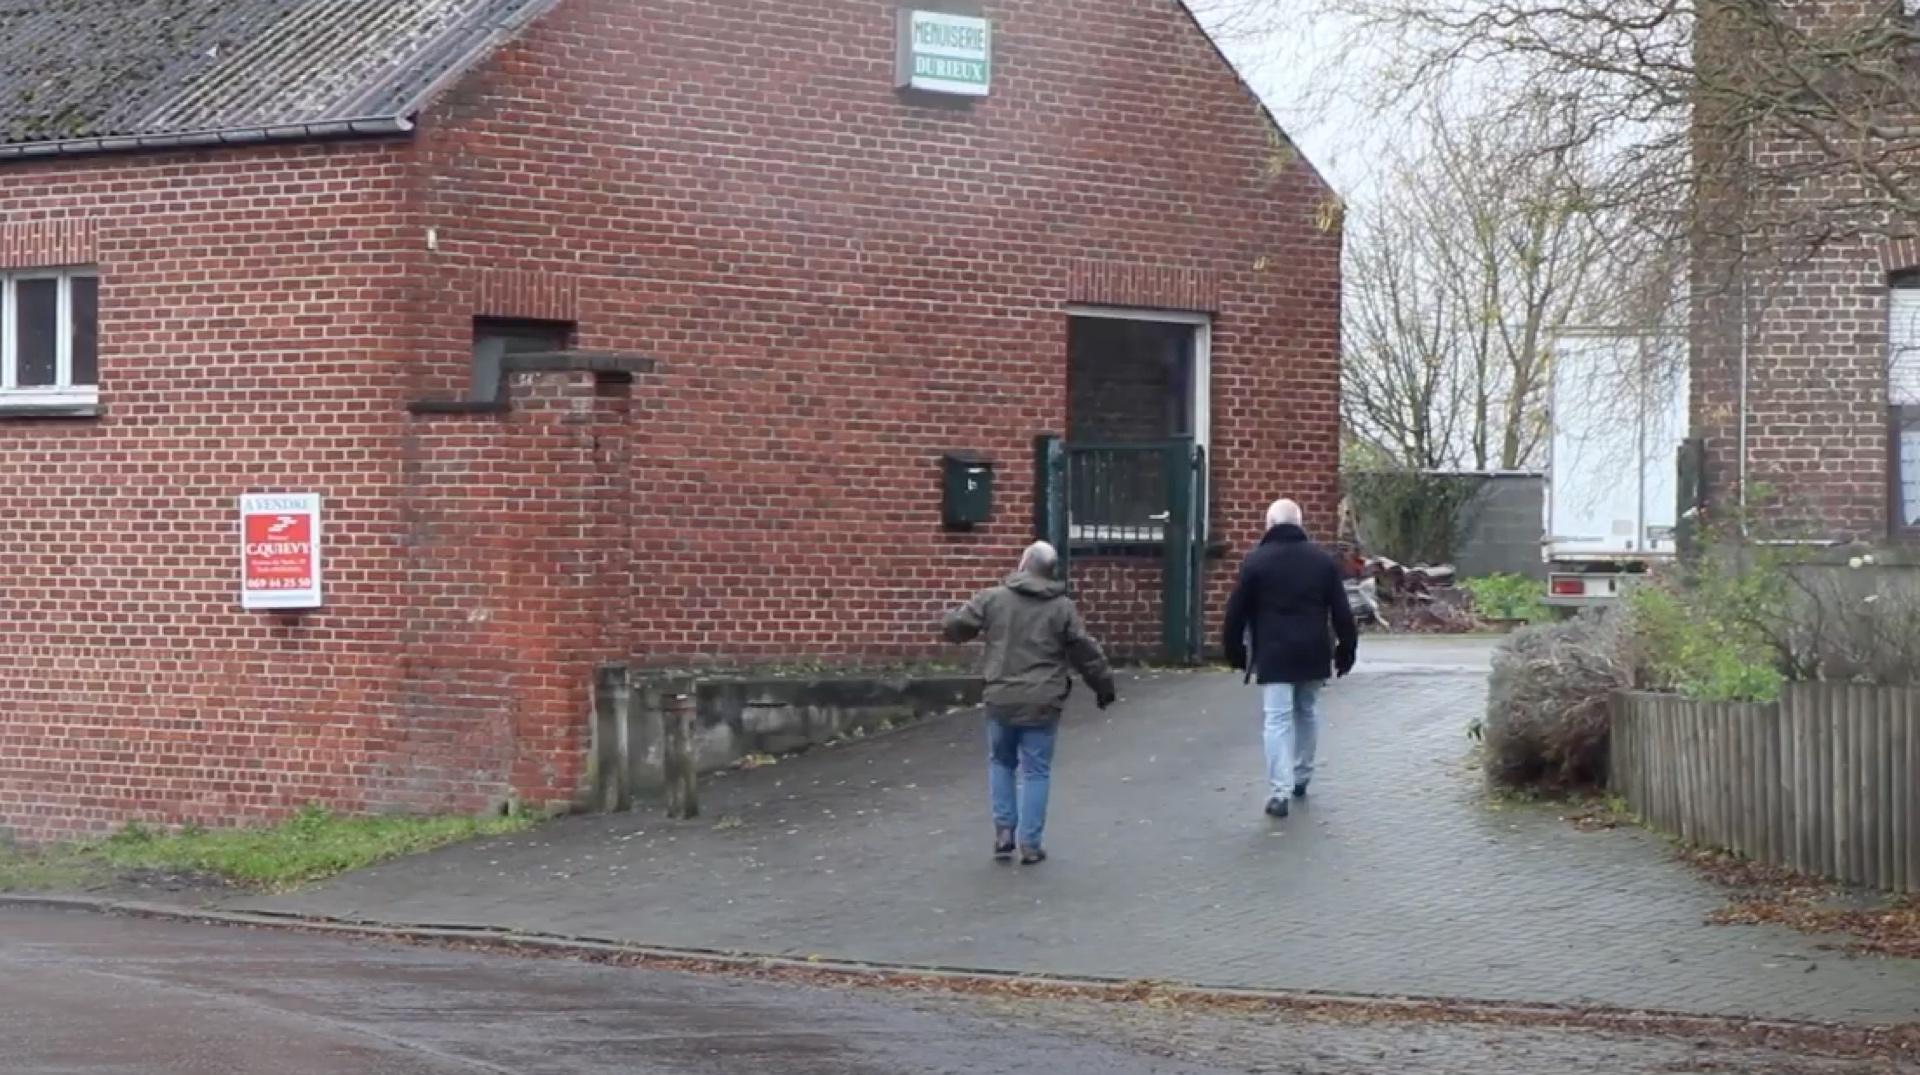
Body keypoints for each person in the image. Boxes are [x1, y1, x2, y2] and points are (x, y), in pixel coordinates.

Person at [943, 541, 1115, 864]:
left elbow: (957, 627)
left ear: (1023, 564)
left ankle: (1004, 830)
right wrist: (1103, 687)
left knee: (1001, 762)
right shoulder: (1062, 607)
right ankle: (1031, 844)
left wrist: (946, 621)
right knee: (1036, 771)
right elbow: (1085, 652)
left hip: (1001, 697)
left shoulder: (993, 599)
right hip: (1043, 701)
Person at [1222, 498, 1358, 819]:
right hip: (1313, 650)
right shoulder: (1322, 562)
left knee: (1277, 719)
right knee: (1307, 711)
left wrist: (1234, 651)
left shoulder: (1256, 561)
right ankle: (1301, 776)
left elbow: (1235, 612)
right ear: (1300, 524)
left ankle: (1279, 791)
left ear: (1269, 525)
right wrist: (1346, 650)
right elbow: (1341, 610)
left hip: (1274, 652)